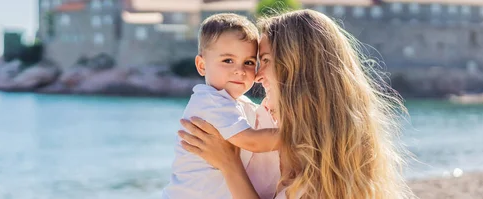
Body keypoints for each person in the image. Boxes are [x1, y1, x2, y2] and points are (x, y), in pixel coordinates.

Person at [177, 10, 413, 199]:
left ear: (297, 71)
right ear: (202, 64)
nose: (256, 75)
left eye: (263, 60)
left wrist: (229, 164)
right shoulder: (337, 147)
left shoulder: (315, 176)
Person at [163, 13, 281, 199]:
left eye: (249, 62)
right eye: (228, 60)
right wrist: (299, 134)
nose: (239, 70)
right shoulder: (210, 101)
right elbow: (252, 141)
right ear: (201, 66)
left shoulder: (237, 104)